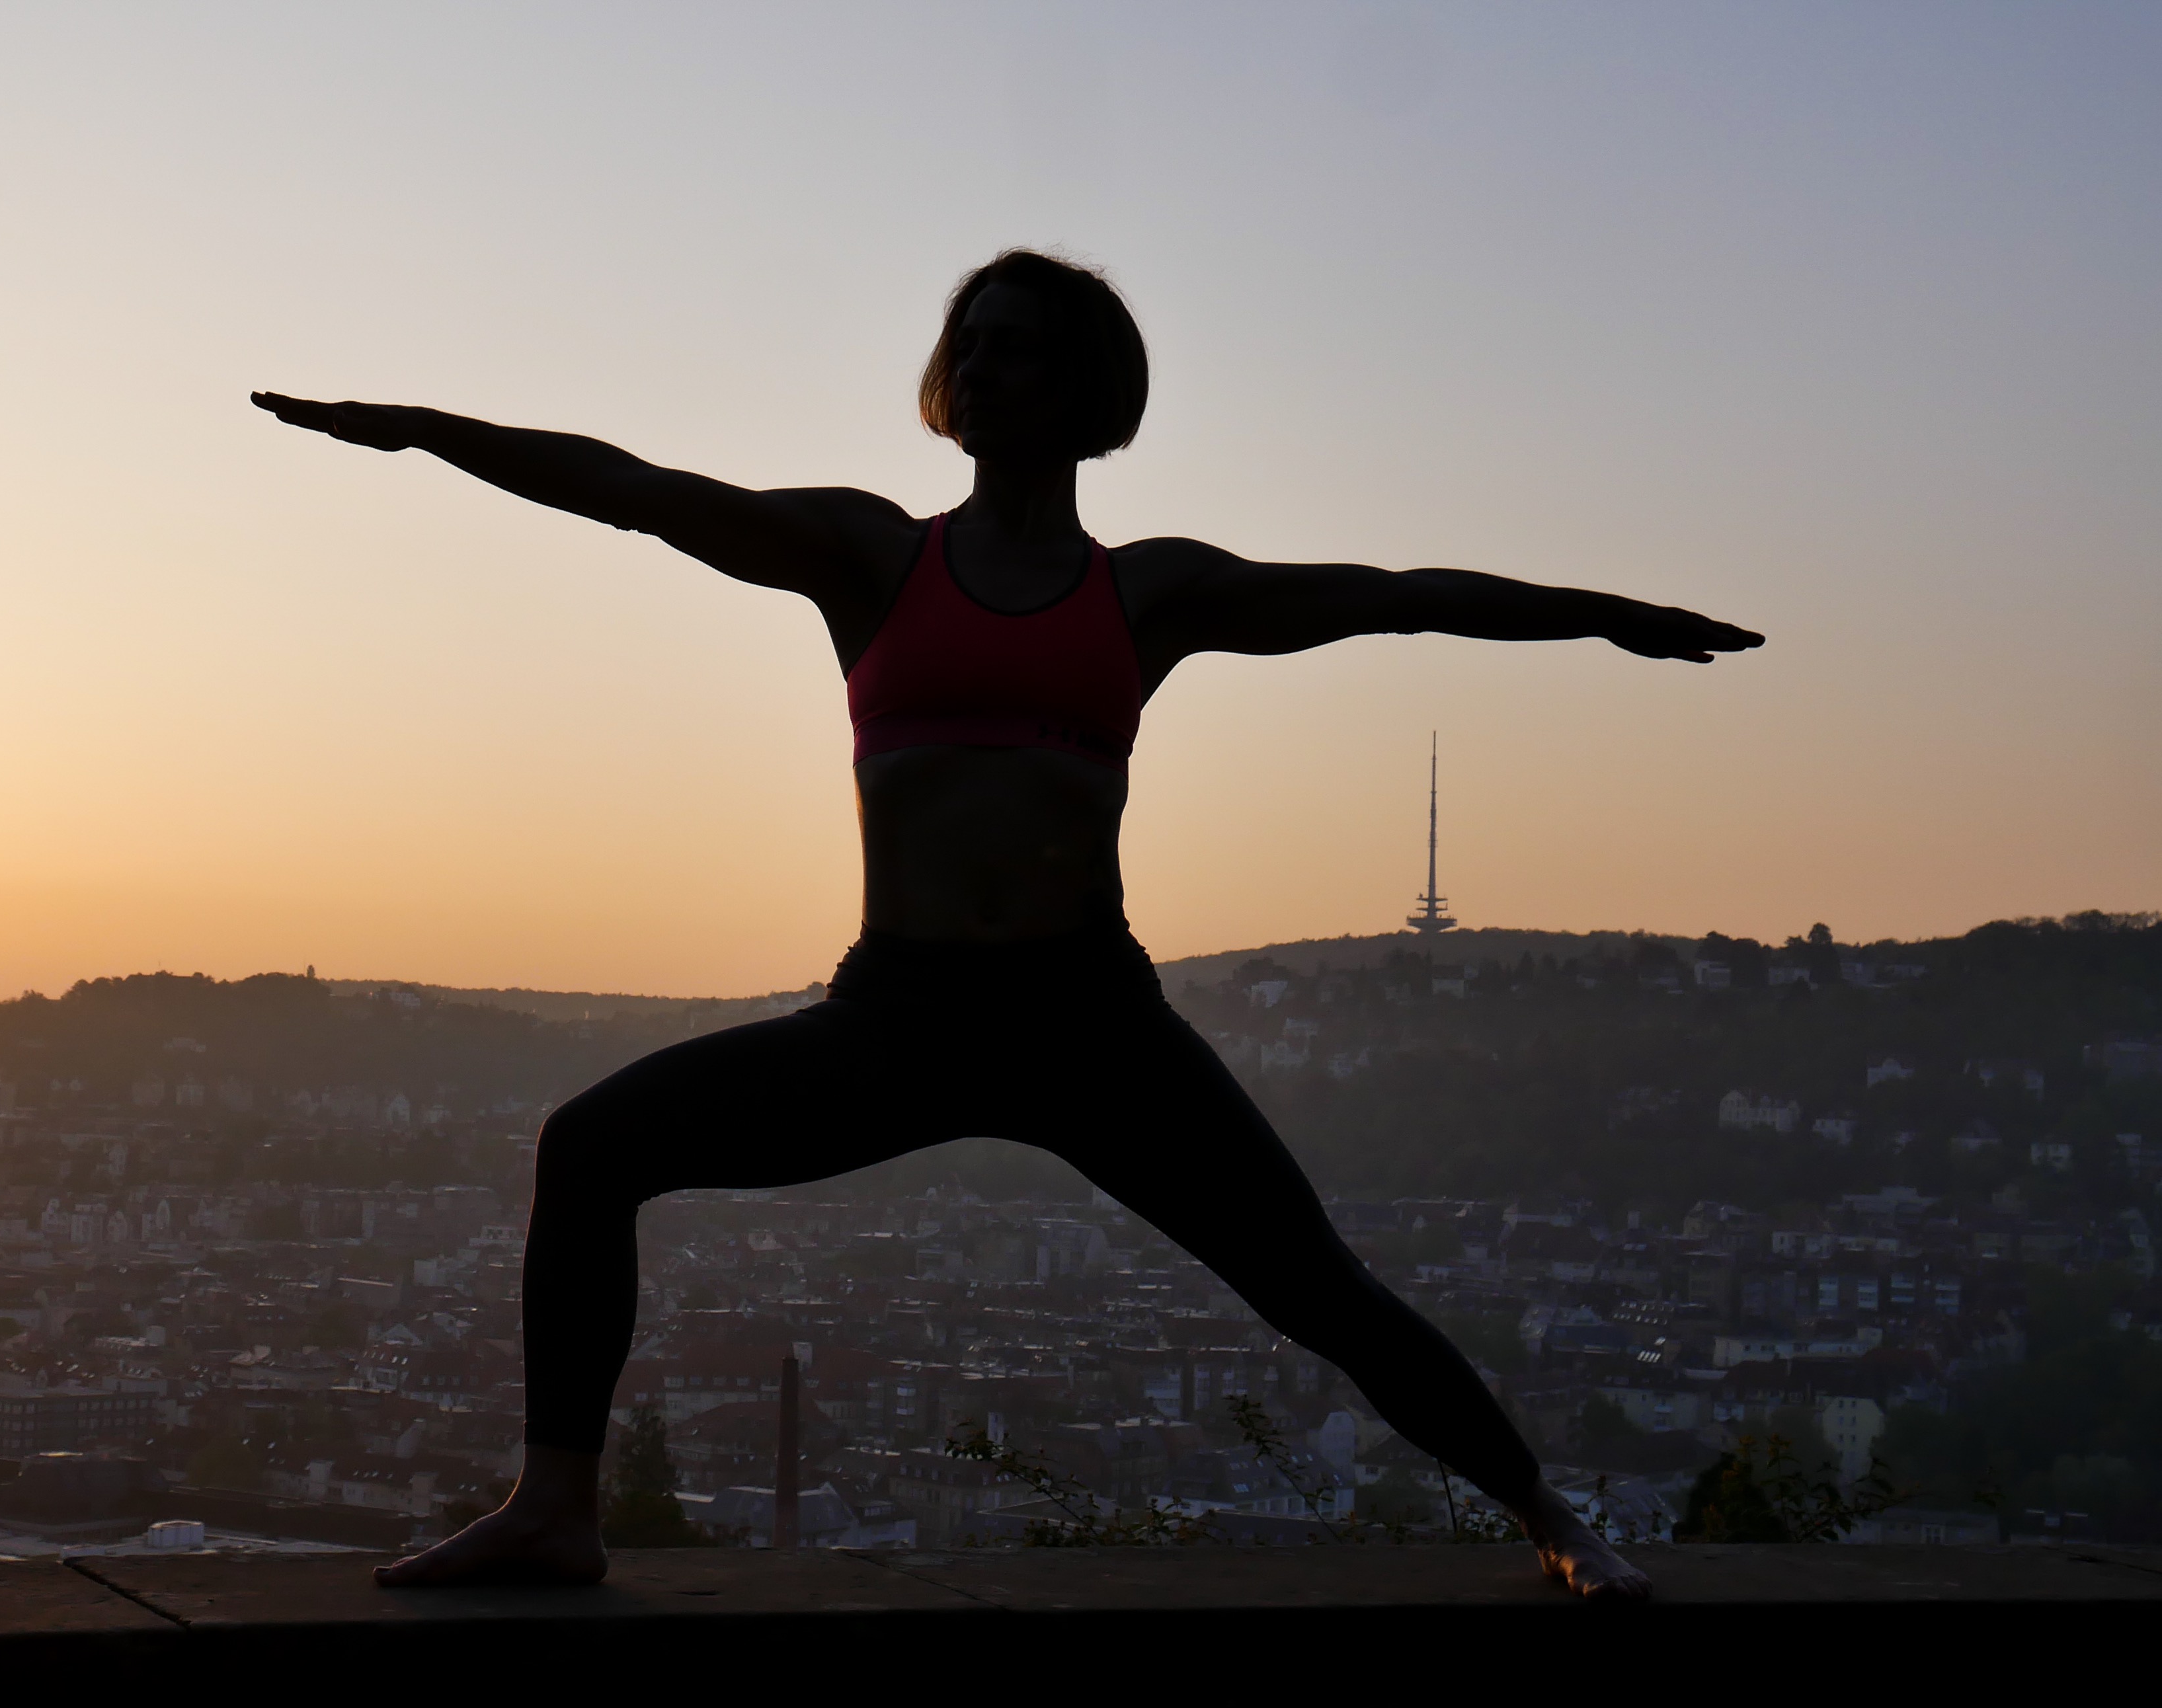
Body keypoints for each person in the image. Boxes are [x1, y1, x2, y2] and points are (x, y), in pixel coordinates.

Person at [253, 250, 1759, 1599]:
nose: (978, 369)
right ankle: (555, 1508)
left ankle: (1550, 1515)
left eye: (1015, 346)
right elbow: (645, 492)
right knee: (590, 1144)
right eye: (965, 344)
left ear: (1087, 386)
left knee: (1321, 1290)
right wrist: (418, 431)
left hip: (1090, 1024)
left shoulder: (1143, 591)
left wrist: (1598, 612)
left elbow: (1388, 596)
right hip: (899, 1016)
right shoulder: (871, 557)